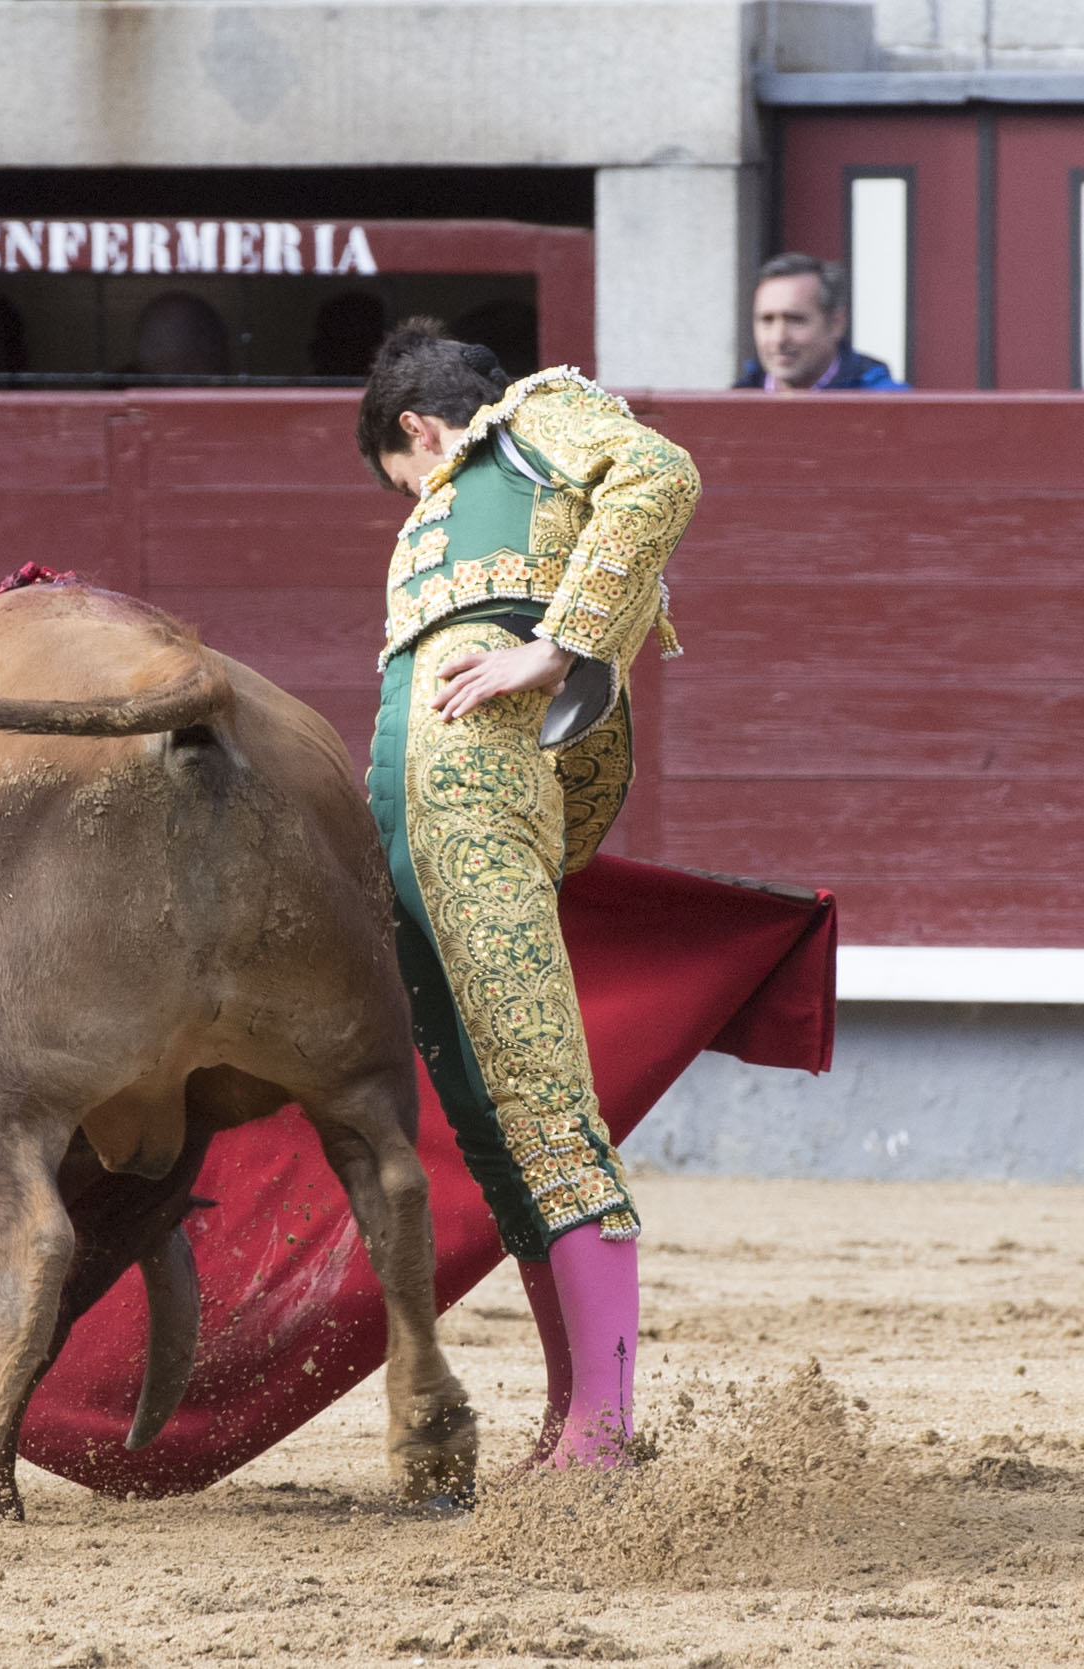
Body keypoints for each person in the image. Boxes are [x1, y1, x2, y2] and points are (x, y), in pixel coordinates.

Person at [356, 319, 699, 1473]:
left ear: (418, 431)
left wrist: (554, 649)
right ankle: (571, 1420)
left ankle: (604, 1433)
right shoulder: (467, 512)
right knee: (495, 1131)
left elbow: (659, 472)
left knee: (544, 1106)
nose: (408, 503)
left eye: (400, 481)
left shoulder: (525, 422)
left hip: (479, 802)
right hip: (409, 828)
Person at [736, 253, 909, 391]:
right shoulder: (731, 412)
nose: (778, 339)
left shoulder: (890, 410)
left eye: (795, 320)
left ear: (836, 324)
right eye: (767, 320)